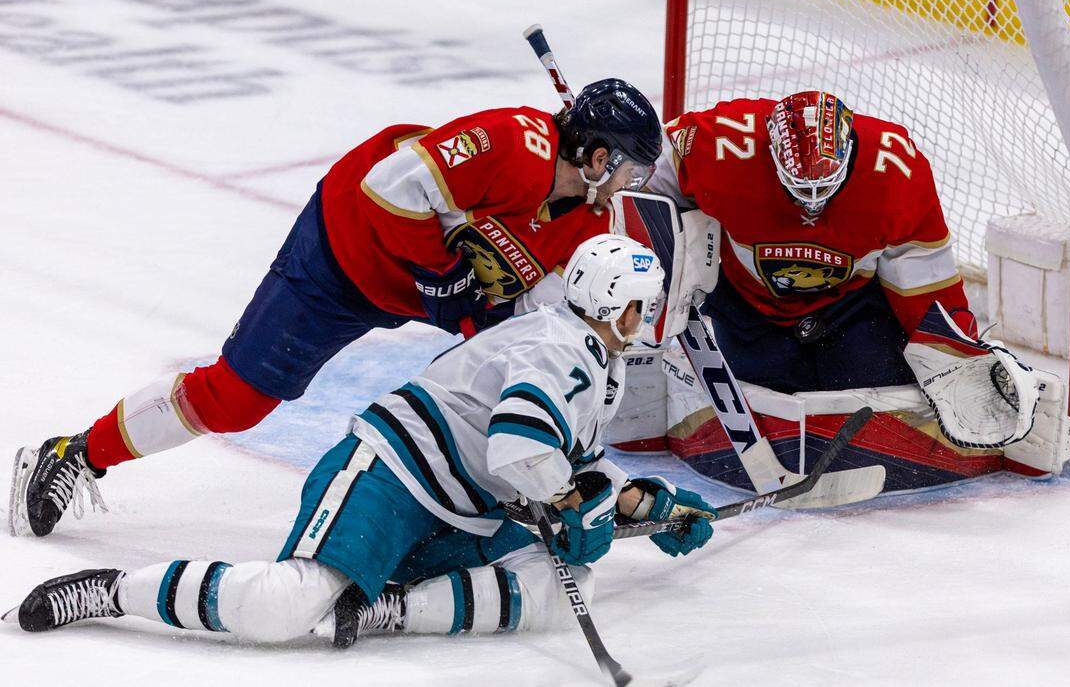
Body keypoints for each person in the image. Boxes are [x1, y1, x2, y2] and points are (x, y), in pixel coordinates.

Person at [9, 79, 663, 539]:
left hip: (415, 289)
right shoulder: (512, 143)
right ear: (600, 155)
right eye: (632, 167)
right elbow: (389, 186)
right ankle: (74, 452)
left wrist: (582, 465)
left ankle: (512, 490)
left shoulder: (586, 223)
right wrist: (446, 282)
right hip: (343, 249)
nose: (633, 184)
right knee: (236, 401)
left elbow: (549, 336)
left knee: (495, 375)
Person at [5, 234, 717, 649]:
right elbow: (517, 449)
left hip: (464, 508)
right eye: (640, 303)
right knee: (287, 607)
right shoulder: (555, 349)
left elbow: (573, 459)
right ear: (612, 300)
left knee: (567, 590)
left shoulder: (599, 362)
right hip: (395, 473)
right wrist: (570, 504)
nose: (646, 315)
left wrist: (645, 504)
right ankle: (111, 591)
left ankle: (392, 606)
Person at [648, 90, 1066, 490]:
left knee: (889, 381)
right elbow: (646, 191)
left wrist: (956, 351)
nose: (811, 207)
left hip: (849, 312)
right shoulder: (715, 142)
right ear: (769, 154)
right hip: (746, 310)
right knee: (762, 384)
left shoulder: (896, 171)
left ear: (849, 154)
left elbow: (924, 278)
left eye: (822, 191)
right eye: (800, 192)